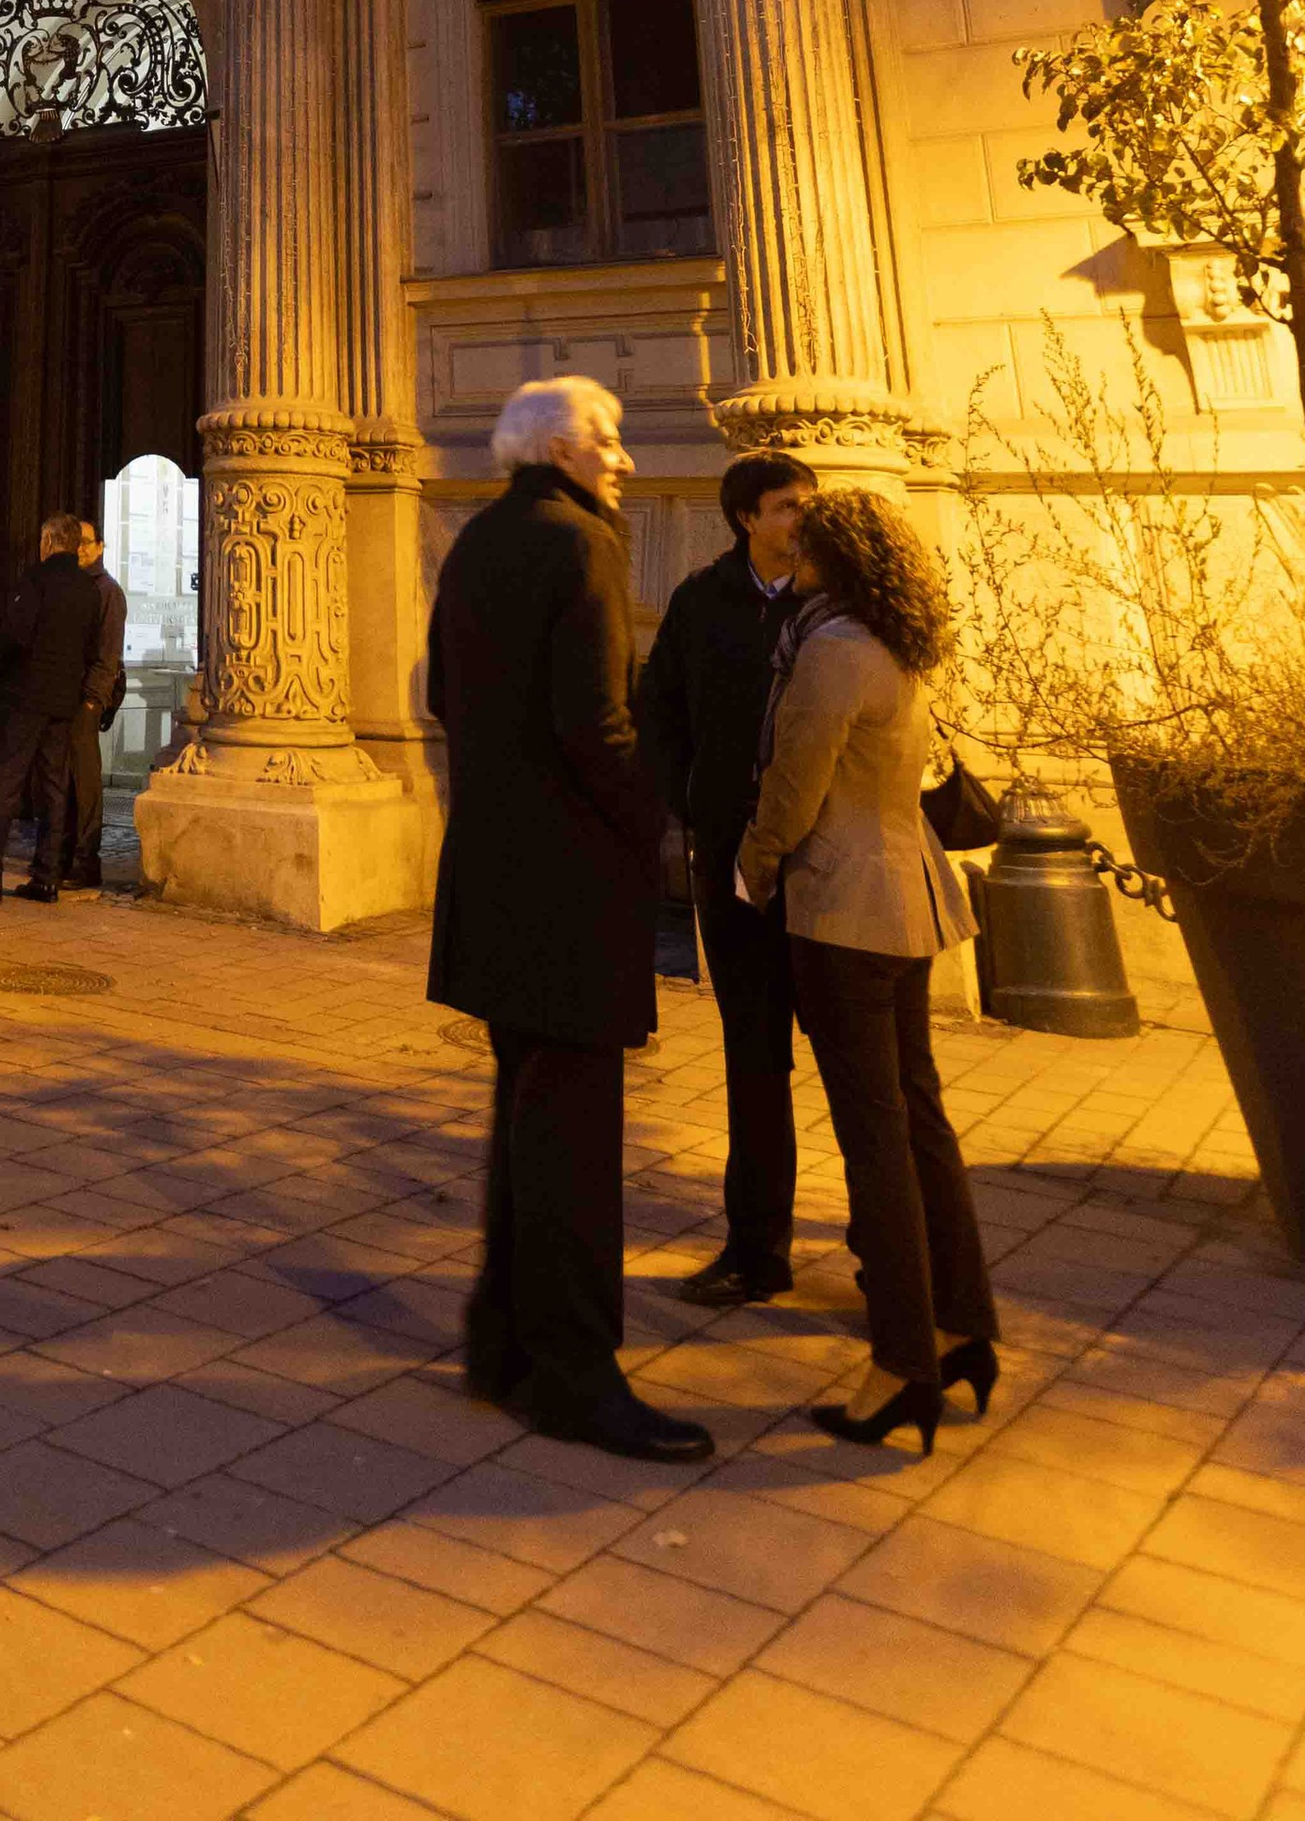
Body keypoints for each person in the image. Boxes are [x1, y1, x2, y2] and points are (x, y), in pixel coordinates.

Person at [427, 374, 711, 1468]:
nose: (626, 460)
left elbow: (445, 701)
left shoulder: (476, 540)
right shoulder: (578, 543)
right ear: (558, 448)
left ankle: (499, 1343)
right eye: (610, 440)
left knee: (527, 1122)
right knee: (576, 1142)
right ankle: (574, 1374)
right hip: (566, 884)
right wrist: (656, 823)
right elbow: (597, 722)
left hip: (492, 877)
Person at [737, 485, 1000, 1454]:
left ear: (830, 558)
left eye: (803, 543)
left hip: (844, 907)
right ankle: (962, 1326)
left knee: (875, 1136)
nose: (790, 554)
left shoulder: (831, 649)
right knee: (918, 1117)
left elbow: (794, 788)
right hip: (904, 897)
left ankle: (900, 1364)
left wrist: (752, 869)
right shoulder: (893, 639)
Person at [637, 451, 815, 1309]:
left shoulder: (833, 603)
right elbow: (658, 707)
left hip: (822, 865)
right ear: (747, 518)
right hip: (732, 860)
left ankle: (886, 1249)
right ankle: (757, 1249)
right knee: (754, 1060)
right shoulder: (702, 601)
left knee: (860, 1065)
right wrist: (693, 804)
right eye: (787, 506)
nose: (802, 519)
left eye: (809, 504)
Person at [0, 516, 116, 904]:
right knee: (54, 789)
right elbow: (93, 649)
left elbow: (14, 637)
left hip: (27, 698)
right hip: (65, 702)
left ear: (48, 542)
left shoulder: (37, 581)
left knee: (6, 785)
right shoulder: (89, 591)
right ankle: (47, 876)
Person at [62, 523, 127, 893]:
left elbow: (108, 653)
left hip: (86, 697)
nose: (80, 549)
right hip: (67, 694)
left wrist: (92, 699)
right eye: (76, 543)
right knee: (65, 779)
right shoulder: (75, 587)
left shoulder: (108, 592)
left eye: (86, 543)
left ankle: (87, 861)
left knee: (85, 782)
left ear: (100, 546)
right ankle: (66, 853)